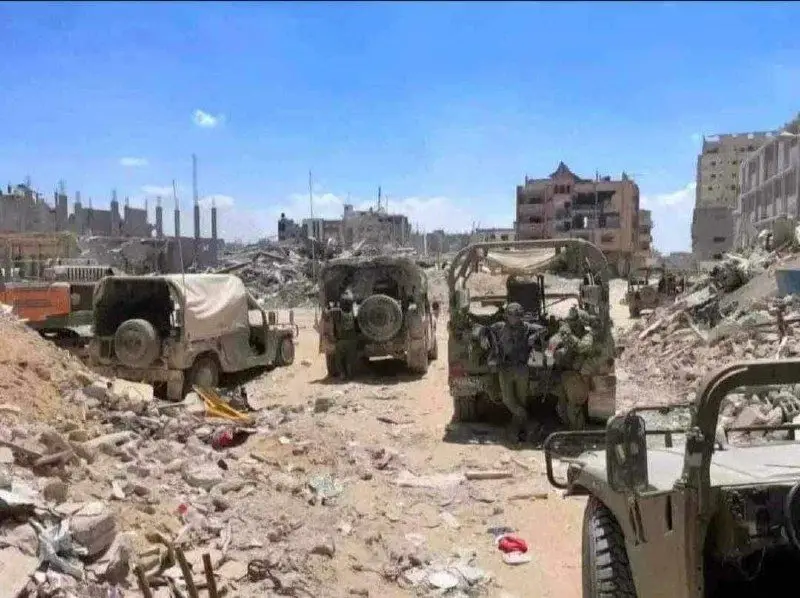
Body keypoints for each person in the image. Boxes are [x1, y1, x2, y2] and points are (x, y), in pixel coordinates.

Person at [479, 302, 543, 441]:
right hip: (505, 368)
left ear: (521, 317)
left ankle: (516, 431)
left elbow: (544, 329)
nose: (514, 319)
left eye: (517, 316)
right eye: (511, 316)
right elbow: (484, 329)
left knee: (521, 400)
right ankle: (531, 424)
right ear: (507, 316)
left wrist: (535, 336)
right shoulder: (500, 327)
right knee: (508, 400)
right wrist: (483, 337)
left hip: (521, 369)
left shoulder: (527, 327)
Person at [335, 289, 359, 380]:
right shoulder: (353, 313)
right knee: (350, 358)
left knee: (339, 359)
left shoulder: (338, 313)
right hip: (352, 340)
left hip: (341, 340)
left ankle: (342, 373)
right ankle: (349, 374)